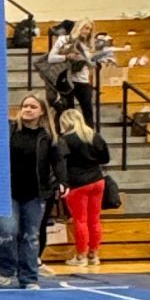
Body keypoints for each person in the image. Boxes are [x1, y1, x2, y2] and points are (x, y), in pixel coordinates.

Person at [0, 92, 62, 288]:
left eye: (33, 107)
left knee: (31, 236)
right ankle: (6, 269)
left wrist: (62, 182)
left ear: (41, 111)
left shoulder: (47, 136)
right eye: (25, 106)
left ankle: (29, 277)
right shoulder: (9, 130)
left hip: (35, 193)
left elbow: (58, 161)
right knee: (7, 232)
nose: (27, 109)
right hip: (7, 192)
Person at [58, 109, 111, 271]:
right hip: (97, 180)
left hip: (77, 183)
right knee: (94, 219)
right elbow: (105, 158)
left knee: (80, 220)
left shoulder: (66, 140)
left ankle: (81, 255)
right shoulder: (95, 136)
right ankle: (94, 255)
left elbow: (62, 163)